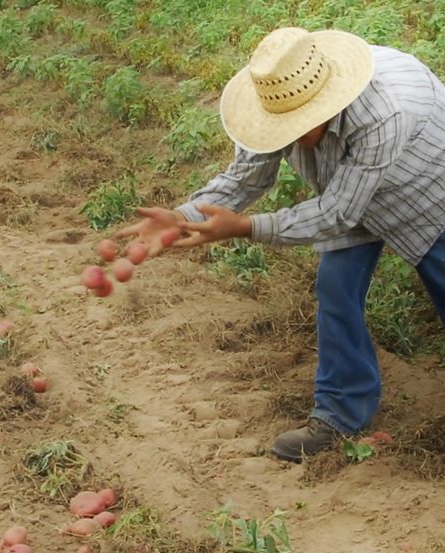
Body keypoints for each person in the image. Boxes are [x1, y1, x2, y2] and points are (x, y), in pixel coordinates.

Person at [116, 27, 445, 462]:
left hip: (424, 178)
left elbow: (336, 214)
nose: (293, 132)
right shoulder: (272, 98)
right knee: (336, 287)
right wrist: (183, 217)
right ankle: (340, 412)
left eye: (303, 121)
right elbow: (244, 180)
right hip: (345, 188)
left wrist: (245, 227)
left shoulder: (383, 114)